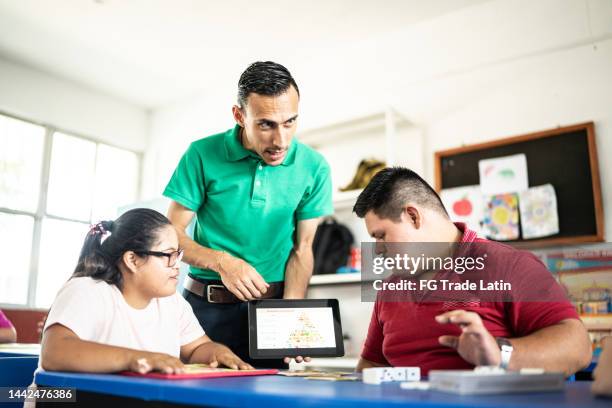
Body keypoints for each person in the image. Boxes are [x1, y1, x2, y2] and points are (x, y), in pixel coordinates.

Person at [164, 61, 333, 367]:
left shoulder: (315, 167)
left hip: (272, 315)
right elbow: (169, 235)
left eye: (290, 122)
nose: (280, 140)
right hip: (205, 309)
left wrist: (292, 313)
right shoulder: (201, 154)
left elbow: (303, 248)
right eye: (266, 124)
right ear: (239, 116)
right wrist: (222, 262)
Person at [353, 167, 592, 376]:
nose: (378, 249)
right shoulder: (390, 288)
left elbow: (578, 348)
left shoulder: (510, 266)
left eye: (381, 235)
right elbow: (371, 364)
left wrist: (499, 355)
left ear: (413, 216)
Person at [40, 208, 252, 374]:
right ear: (132, 259)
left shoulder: (173, 302)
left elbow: (196, 348)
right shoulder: (88, 290)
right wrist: (137, 358)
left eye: (178, 255)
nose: (177, 265)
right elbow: (54, 353)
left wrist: (218, 352)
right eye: (168, 255)